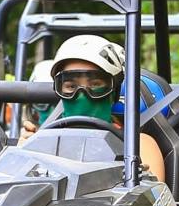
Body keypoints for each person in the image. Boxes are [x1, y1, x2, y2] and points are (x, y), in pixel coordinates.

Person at [29, 35, 168, 181]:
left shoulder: (138, 145)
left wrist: (142, 178)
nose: (82, 95)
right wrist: (27, 149)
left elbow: (151, 199)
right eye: (71, 86)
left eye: (95, 84)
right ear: (59, 91)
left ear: (114, 91)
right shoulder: (43, 141)